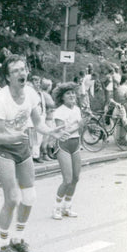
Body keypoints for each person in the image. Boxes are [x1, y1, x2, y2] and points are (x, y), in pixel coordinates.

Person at [0, 54, 64, 252]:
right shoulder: (0, 99)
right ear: (7, 76)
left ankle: (17, 239)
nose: (22, 73)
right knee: (12, 198)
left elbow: (38, 123)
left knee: (30, 197)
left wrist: (51, 132)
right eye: (16, 70)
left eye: (23, 69)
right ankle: (2, 244)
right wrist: (16, 135)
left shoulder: (31, 93)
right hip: (5, 149)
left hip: (22, 147)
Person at [49, 82, 84, 220]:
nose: (72, 95)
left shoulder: (77, 109)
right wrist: (77, 125)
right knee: (67, 179)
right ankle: (56, 208)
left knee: (76, 178)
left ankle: (67, 207)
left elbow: (80, 128)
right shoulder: (59, 111)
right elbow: (61, 132)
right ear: (62, 97)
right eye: (68, 93)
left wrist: (80, 125)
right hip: (63, 145)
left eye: (73, 93)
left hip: (75, 143)